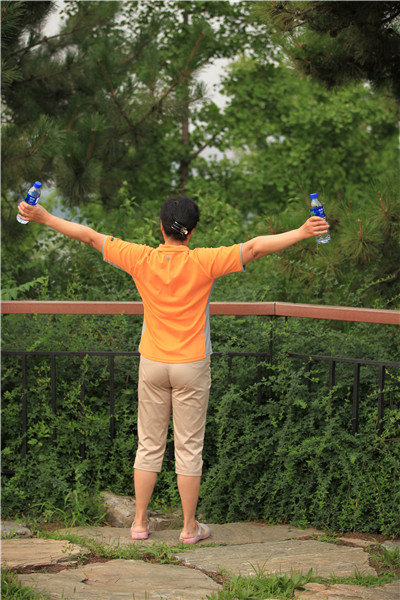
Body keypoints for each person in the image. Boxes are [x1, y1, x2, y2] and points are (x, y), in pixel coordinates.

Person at [17, 195, 329, 544]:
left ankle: (138, 523)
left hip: (152, 362)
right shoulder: (203, 261)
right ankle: (189, 527)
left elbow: (90, 236)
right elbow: (254, 248)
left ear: (161, 227)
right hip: (192, 365)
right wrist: (302, 231)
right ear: (192, 232)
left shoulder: (141, 258)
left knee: (148, 446)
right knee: (189, 448)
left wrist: (43, 216)